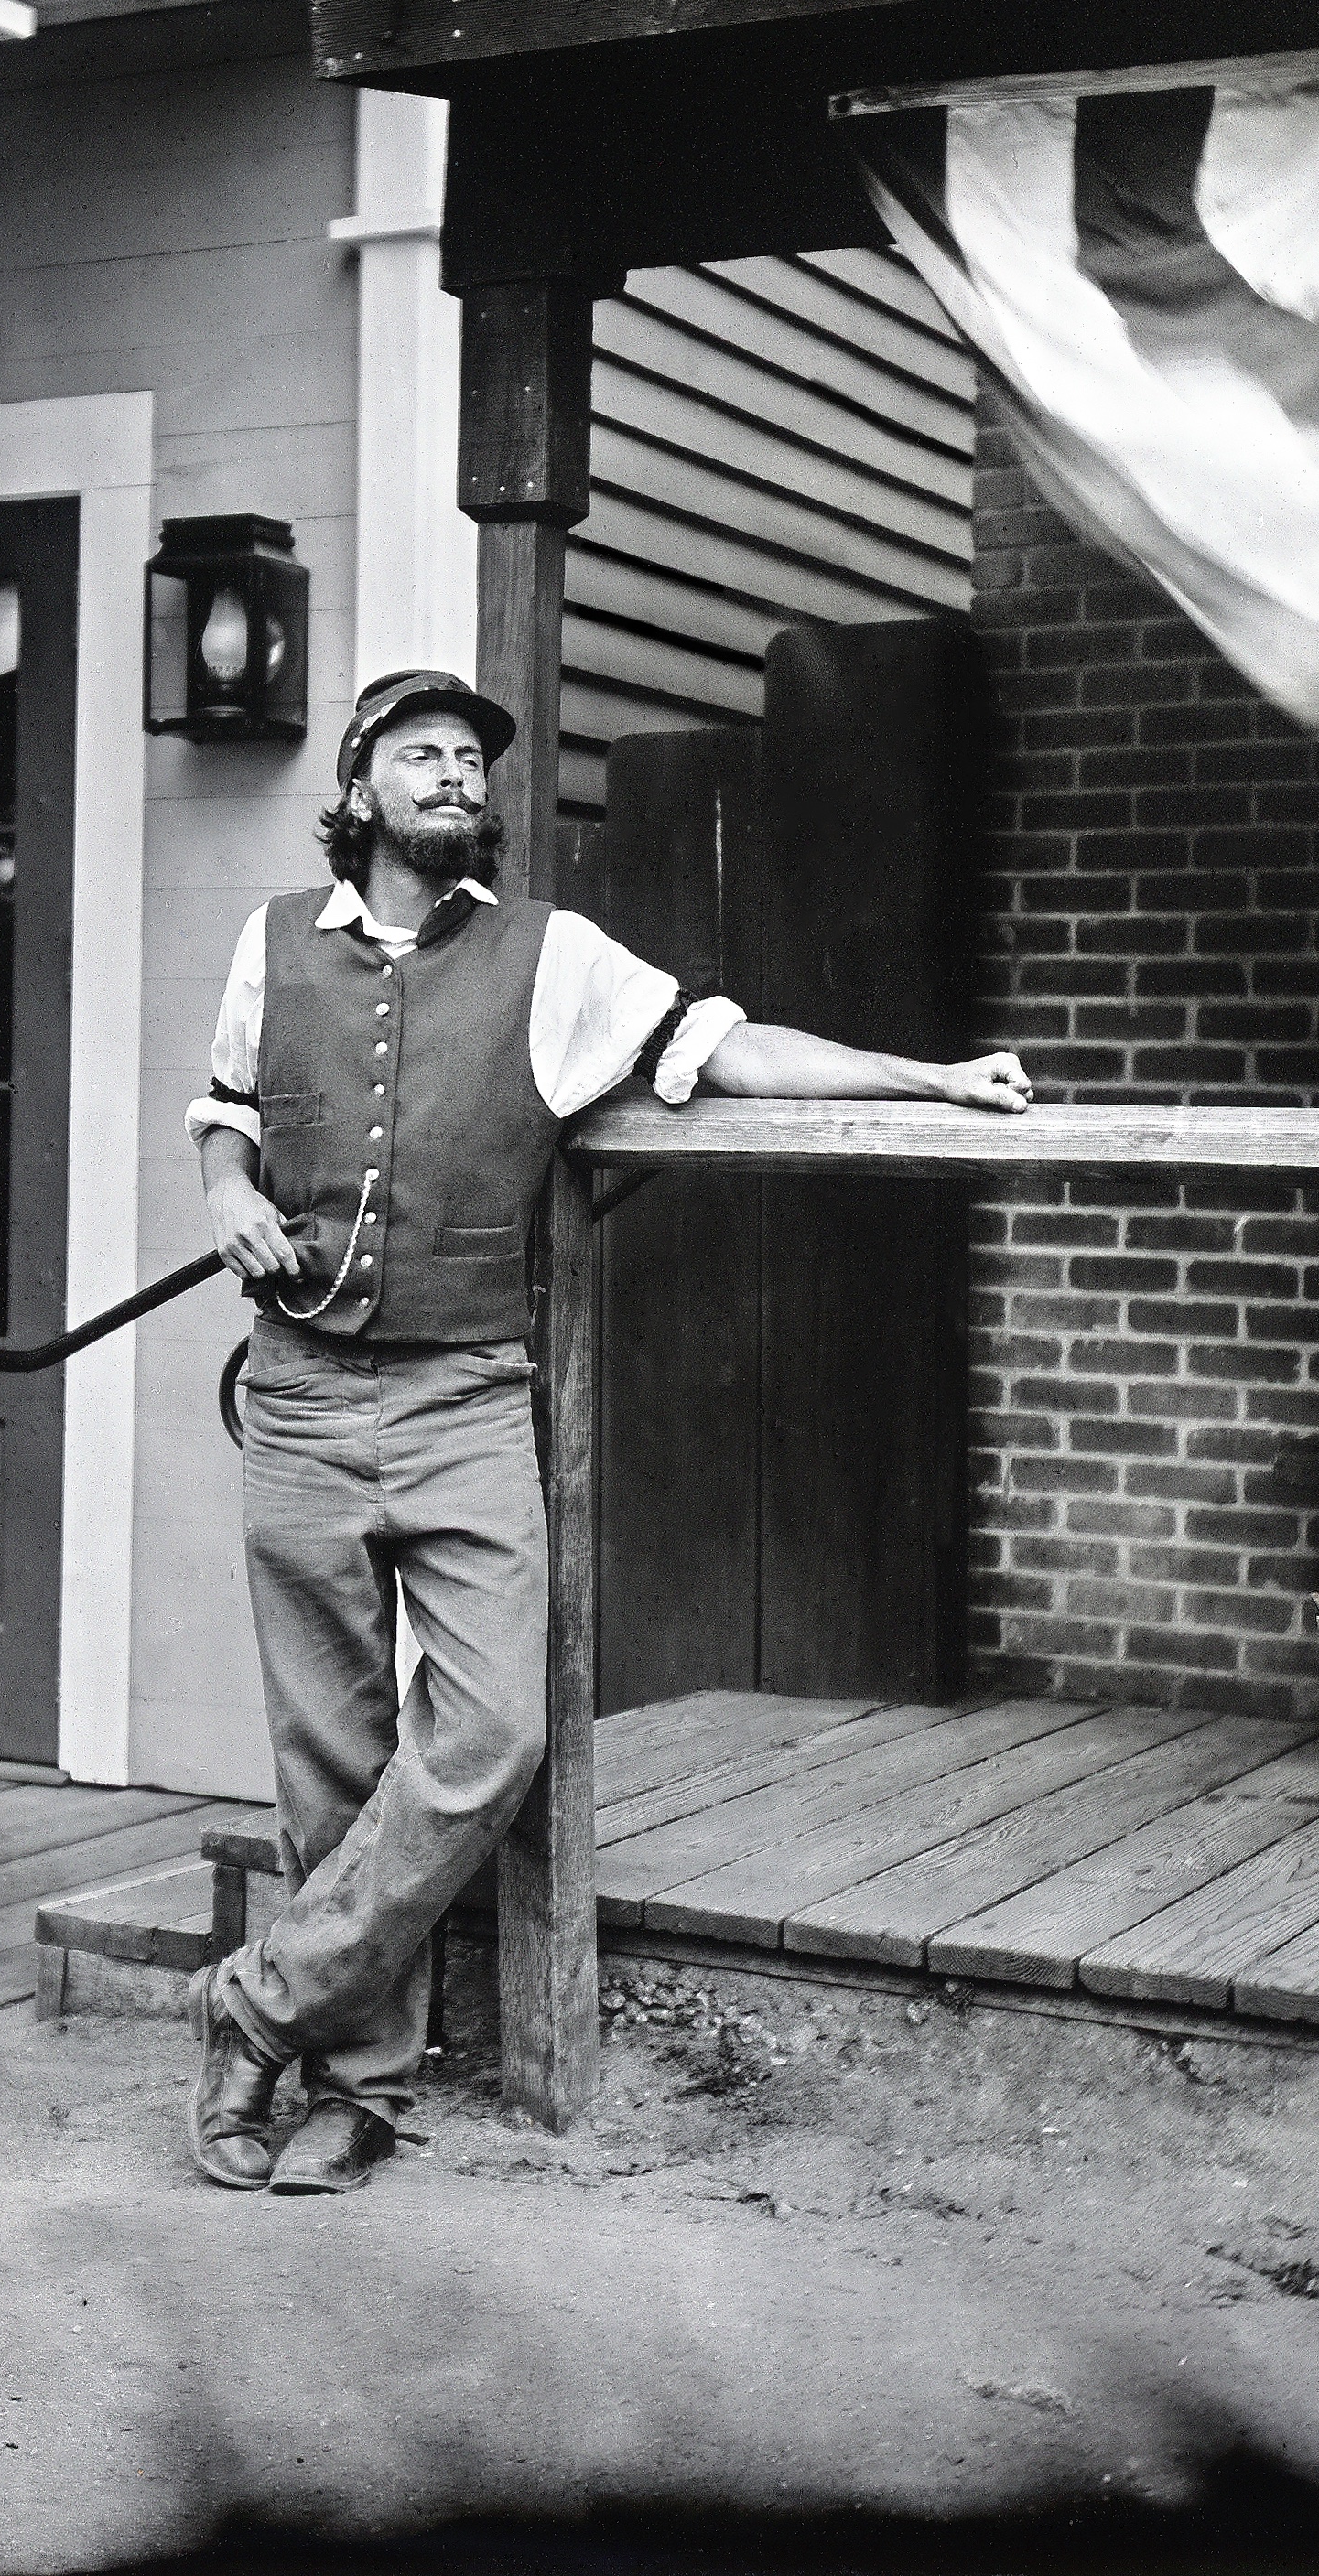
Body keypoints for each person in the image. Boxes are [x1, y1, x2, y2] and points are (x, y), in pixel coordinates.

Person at [183, 667, 1032, 2195]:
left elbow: (732, 1045)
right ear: (360, 787)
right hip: (301, 1396)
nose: (454, 774)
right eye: (420, 752)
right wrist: (229, 1190)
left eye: (470, 757)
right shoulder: (266, 946)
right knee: (331, 1756)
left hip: (462, 1397)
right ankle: (354, 2084)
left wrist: (928, 1075)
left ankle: (253, 2003)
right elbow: (227, 1105)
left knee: (491, 1730)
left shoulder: (550, 953)